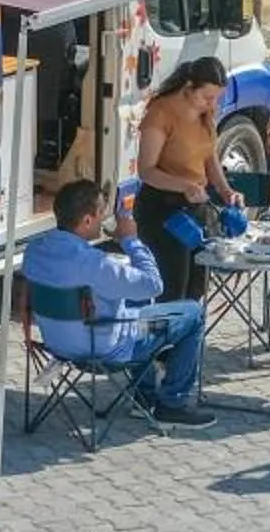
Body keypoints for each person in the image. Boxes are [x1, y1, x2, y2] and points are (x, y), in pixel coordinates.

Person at [20, 178, 215, 429]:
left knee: (140, 306)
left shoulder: (35, 251)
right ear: (87, 220)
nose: (104, 219)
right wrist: (131, 240)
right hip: (105, 349)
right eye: (101, 212)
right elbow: (154, 284)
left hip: (57, 343)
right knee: (192, 314)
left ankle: (143, 397)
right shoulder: (95, 263)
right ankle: (171, 404)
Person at [132, 55, 237, 303]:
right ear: (189, 87)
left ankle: (189, 337)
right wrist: (184, 185)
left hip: (195, 208)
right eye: (207, 97)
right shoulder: (161, 113)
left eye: (215, 98)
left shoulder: (205, 114)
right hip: (163, 209)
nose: (211, 103)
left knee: (197, 286)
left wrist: (225, 190)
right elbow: (146, 170)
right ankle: (167, 339)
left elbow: (209, 157)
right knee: (173, 288)